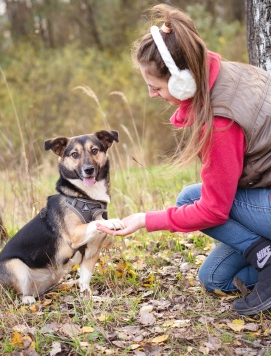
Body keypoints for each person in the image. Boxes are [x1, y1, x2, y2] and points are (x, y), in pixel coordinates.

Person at [97, 3, 271, 316]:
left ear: (182, 82)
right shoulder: (226, 71)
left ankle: (264, 256)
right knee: (215, 278)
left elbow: (214, 210)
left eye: (155, 87)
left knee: (191, 198)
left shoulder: (220, 121)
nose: (152, 94)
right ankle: (263, 254)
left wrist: (145, 220)